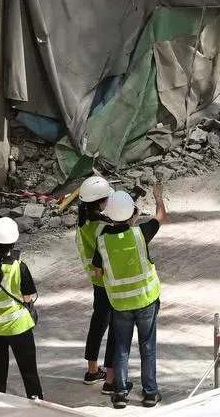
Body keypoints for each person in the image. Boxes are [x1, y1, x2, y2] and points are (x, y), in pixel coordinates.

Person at [93, 184, 168, 409]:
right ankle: (150, 393)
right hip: (146, 300)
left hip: (120, 303)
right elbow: (161, 218)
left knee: (121, 349)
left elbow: (98, 271)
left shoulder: (103, 240)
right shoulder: (139, 233)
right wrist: (158, 197)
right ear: (132, 214)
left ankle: (120, 393)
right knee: (147, 347)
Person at [0, 216, 44, 400]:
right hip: (18, 327)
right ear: (14, 242)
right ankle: (37, 407)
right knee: (29, 372)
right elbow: (27, 297)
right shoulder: (20, 267)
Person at [75, 175, 119, 392]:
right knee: (115, 327)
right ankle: (111, 378)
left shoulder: (84, 221)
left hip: (96, 280)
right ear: (100, 202)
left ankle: (92, 370)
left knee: (98, 323)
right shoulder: (102, 226)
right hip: (109, 282)